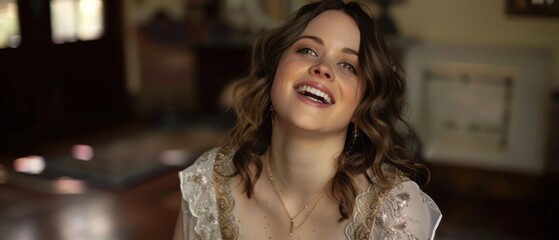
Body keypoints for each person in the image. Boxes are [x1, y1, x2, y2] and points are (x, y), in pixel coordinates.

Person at [173, 0, 441, 239]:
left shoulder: (396, 214)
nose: (322, 68)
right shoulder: (207, 185)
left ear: (364, 103)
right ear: (275, 69)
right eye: (308, 50)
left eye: (348, 65)